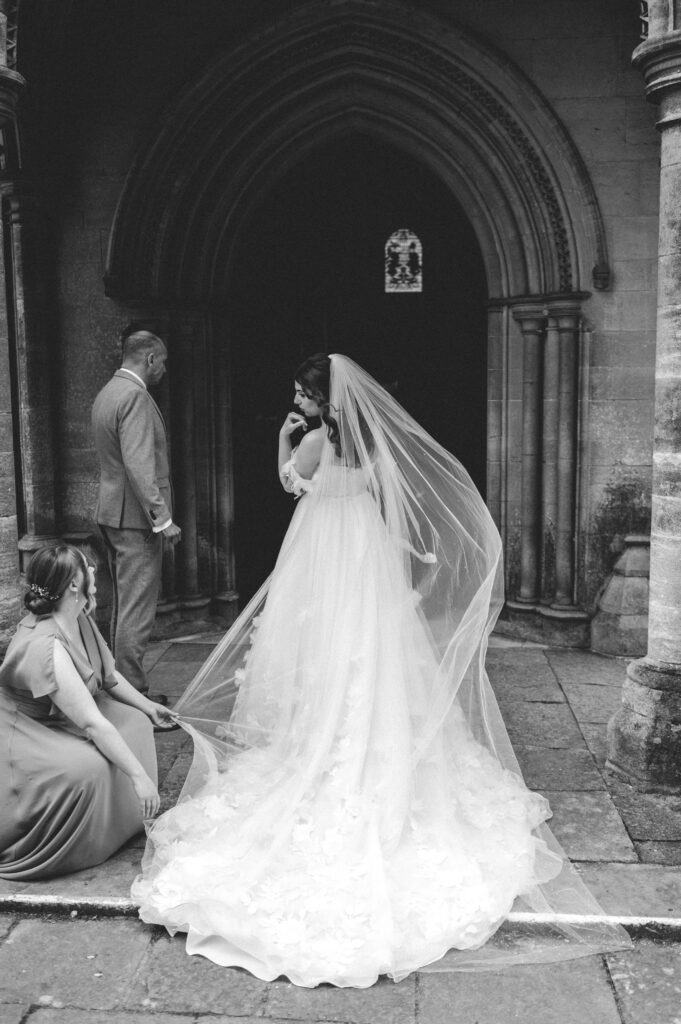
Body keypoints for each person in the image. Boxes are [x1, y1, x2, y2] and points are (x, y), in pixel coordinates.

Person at [132, 353, 630, 987]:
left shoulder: (312, 441)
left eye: (302, 395)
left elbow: (290, 483)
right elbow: (392, 505)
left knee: (320, 649)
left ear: (323, 401)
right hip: (362, 557)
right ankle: (372, 737)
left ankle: (319, 739)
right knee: (372, 650)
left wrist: (283, 438)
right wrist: (404, 554)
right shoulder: (373, 449)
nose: (297, 402)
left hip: (320, 555)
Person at [0, 544, 177, 881]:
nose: (94, 570)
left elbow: (109, 675)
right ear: (73, 584)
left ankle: (124, 820)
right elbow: (92, 723)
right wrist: (139, 777)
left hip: (69, 711)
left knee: (136, 723)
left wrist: (148, 706)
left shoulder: (78, 617)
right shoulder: (46, 646)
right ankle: (87, 842)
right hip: (29, 727)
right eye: (88, 566)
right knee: (88, 767)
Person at [92, 328, 181, 693]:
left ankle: (117, 684)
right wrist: (162, 520)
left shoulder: (108, 392)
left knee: (118, 606)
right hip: (135, 520)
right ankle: (133, 693)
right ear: (149, 359)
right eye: (162, 362)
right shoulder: (135, 397)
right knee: (137, 610)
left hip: (113, 512)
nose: (163, 370)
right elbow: (139, 464)